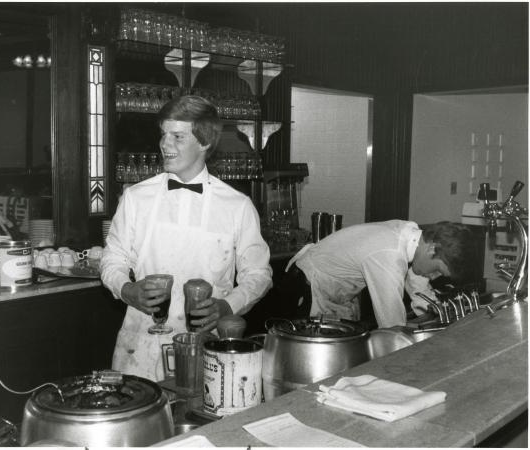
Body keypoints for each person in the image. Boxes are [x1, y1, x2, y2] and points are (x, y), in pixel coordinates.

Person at [100, 95, 272, 381]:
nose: (165, 145)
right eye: (163, 135)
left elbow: (259, 274)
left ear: (204, 143)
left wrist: (228, 306)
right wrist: (127, 289)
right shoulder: (135, 197)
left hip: (206, 348)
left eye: (178, 137)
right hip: (139, 346)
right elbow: (112, 259)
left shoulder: (237, 205)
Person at [284, 220, 478, 328]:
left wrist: (437, 314)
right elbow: (392, 325)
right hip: (309, 289)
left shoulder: (412, 237)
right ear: (432, 248)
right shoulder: (389, 255)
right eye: (437, 270)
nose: (434, 277)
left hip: (335, 293)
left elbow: (418, 284)